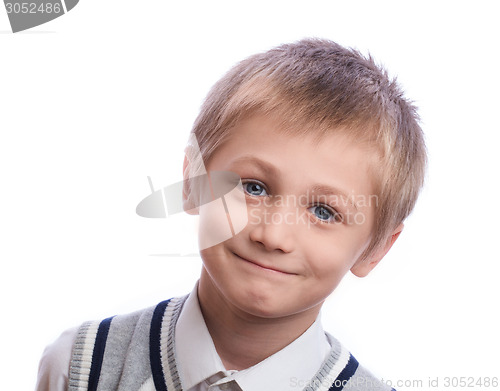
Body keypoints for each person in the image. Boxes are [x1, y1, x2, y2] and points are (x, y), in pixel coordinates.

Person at [35, 38, 427, 391]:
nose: (273, 236)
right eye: (253, 187)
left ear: (376, 250)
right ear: (191, 182)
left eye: (323, 211)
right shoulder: (80, 368)